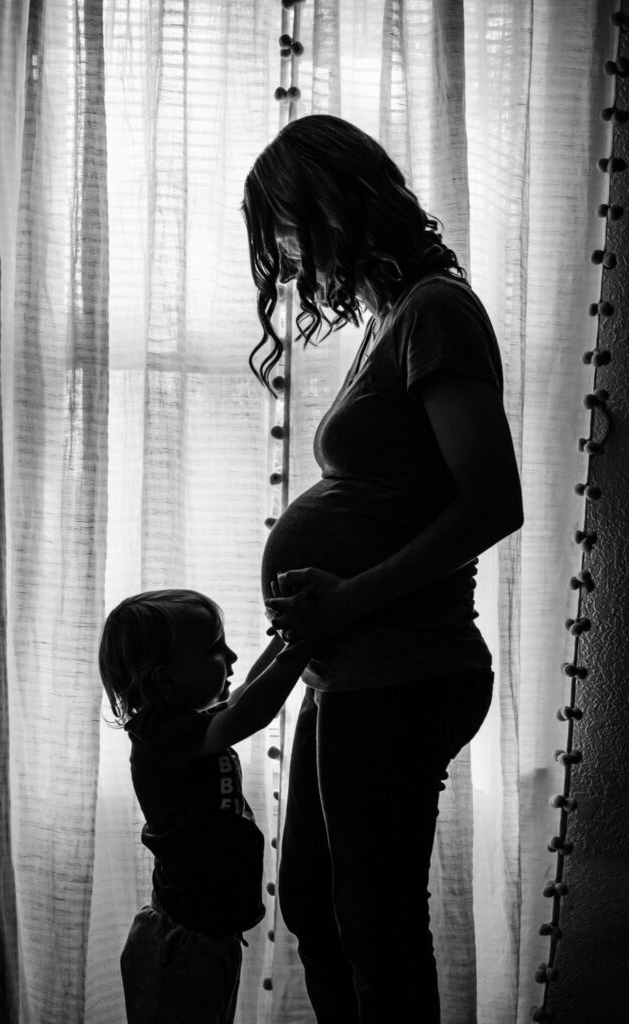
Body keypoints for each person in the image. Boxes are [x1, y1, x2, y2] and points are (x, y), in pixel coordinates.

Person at [241, 114, 524, 1024]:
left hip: (405, 671)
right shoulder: (391, 318)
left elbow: (492, 503)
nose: (287, 262)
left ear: (333, 207)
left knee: (375, 929)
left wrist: (348, 598)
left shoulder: (437, 311)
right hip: (350, 670)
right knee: (315, 907)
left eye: (287, 232)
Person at [98, 588, 308, 1024]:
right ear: (164, 680)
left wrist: (286, 638)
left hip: (208, 933)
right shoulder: (158, 734)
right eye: (215, 648)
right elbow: (249, 713)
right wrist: (307, 642)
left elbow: (243, 695)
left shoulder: (184, 724)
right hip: (182, 943)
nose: (231, 656)